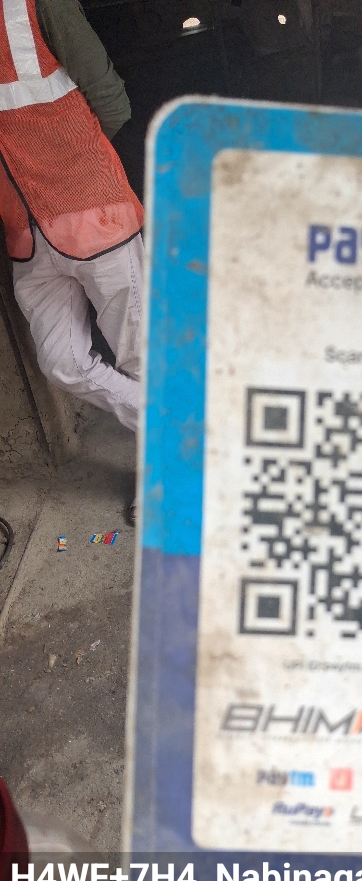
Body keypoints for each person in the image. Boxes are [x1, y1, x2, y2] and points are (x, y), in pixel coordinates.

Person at [0, 0, 143, 521]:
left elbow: (112, 102)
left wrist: (78, 169)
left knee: (139, 355)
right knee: (61, 361)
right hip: (26, 232)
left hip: (93, 211)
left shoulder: (38, 5)